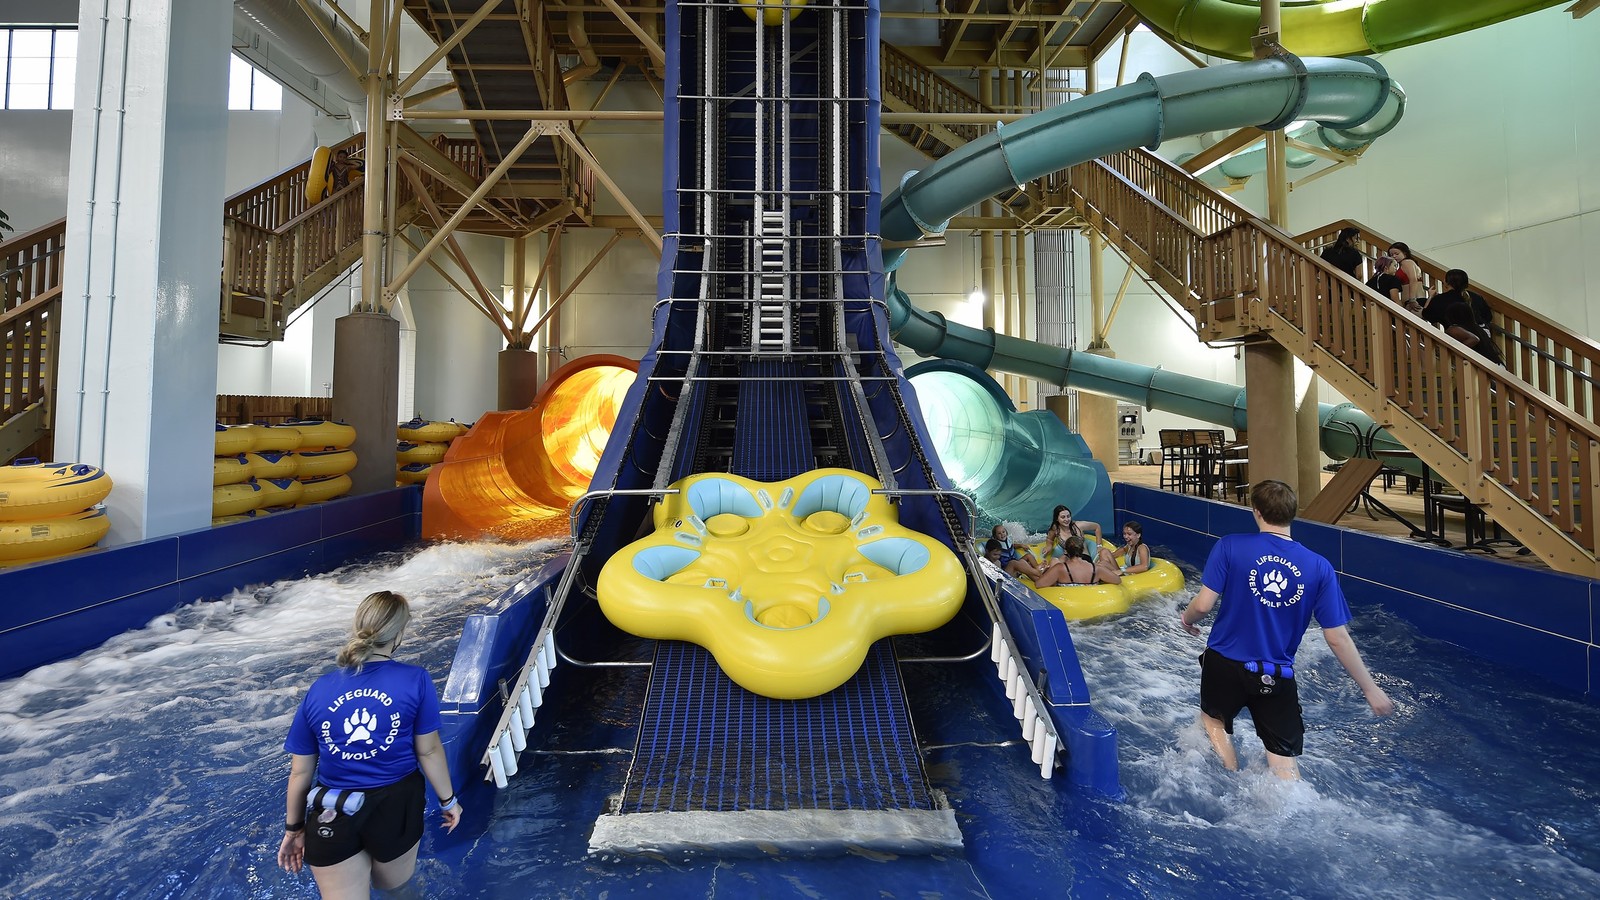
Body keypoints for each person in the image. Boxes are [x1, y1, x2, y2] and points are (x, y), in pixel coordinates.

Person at [1178, 480, 1395, 780]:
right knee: (1283, 763)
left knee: (1214, 723)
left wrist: (1187, 620)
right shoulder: (1319, 567)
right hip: (1276, 673)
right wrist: (1370, 689)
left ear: (1256, 511)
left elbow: (1203, 606)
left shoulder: (1230, 546)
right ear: (1293, 513)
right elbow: (1337, 638)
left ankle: (1229, 775)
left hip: (1225, 663)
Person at [277, 591, 462, 898]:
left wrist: (293, 829)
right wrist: (448, 801)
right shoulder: (415, 679)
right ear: (399, 633)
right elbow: (428, 750)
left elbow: (300, 772)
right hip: (395, 806)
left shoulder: (320, 688)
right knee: (398, 892)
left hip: (332, 808)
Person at [1420, 269, 1503, 365]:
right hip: (1484, 338)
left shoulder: (1441, 301)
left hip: (1464, 344)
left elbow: (1426, 314)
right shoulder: (1476, 297)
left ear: (1446, 282)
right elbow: (1487, 317)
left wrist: (1430, 297)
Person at [1042, 504, 1120, 579]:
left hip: (1083, 556)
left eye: (1068, 516)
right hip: (1068, 557)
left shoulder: (1078, 525)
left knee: (1102, 564)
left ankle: (1117, 573)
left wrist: (1099, 546)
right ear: (1057, 519)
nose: (1066, 519)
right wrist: (1049, 546)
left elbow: (1097, 527)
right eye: (1063, 517)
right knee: (1055, 561)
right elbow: (1049, 539)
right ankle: (1049, 577)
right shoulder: (1055, 529)